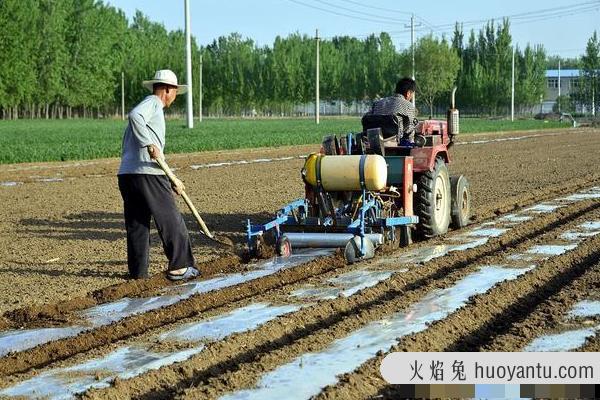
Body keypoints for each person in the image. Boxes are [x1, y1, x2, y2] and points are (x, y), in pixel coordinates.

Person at [117, 69, 199, 281]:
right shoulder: (153, 102)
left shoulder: (151, 111)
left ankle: (138, 275)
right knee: (171, 219)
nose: (174, 97)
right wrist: (149, 143)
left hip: (128, 174)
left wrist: (172, 179)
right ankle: (180, 267)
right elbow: (135, 116)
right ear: (167, 90)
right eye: (174, 92)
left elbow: (156, 155)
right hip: (147, 174)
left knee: (138, 225)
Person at [366, 77, 418, 147]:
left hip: (373, 141)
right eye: (412, 94)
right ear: (408, 93)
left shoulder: (378, 103)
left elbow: (367, 118)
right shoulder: (408, 105)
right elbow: (409, 130)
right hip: (394, 143)